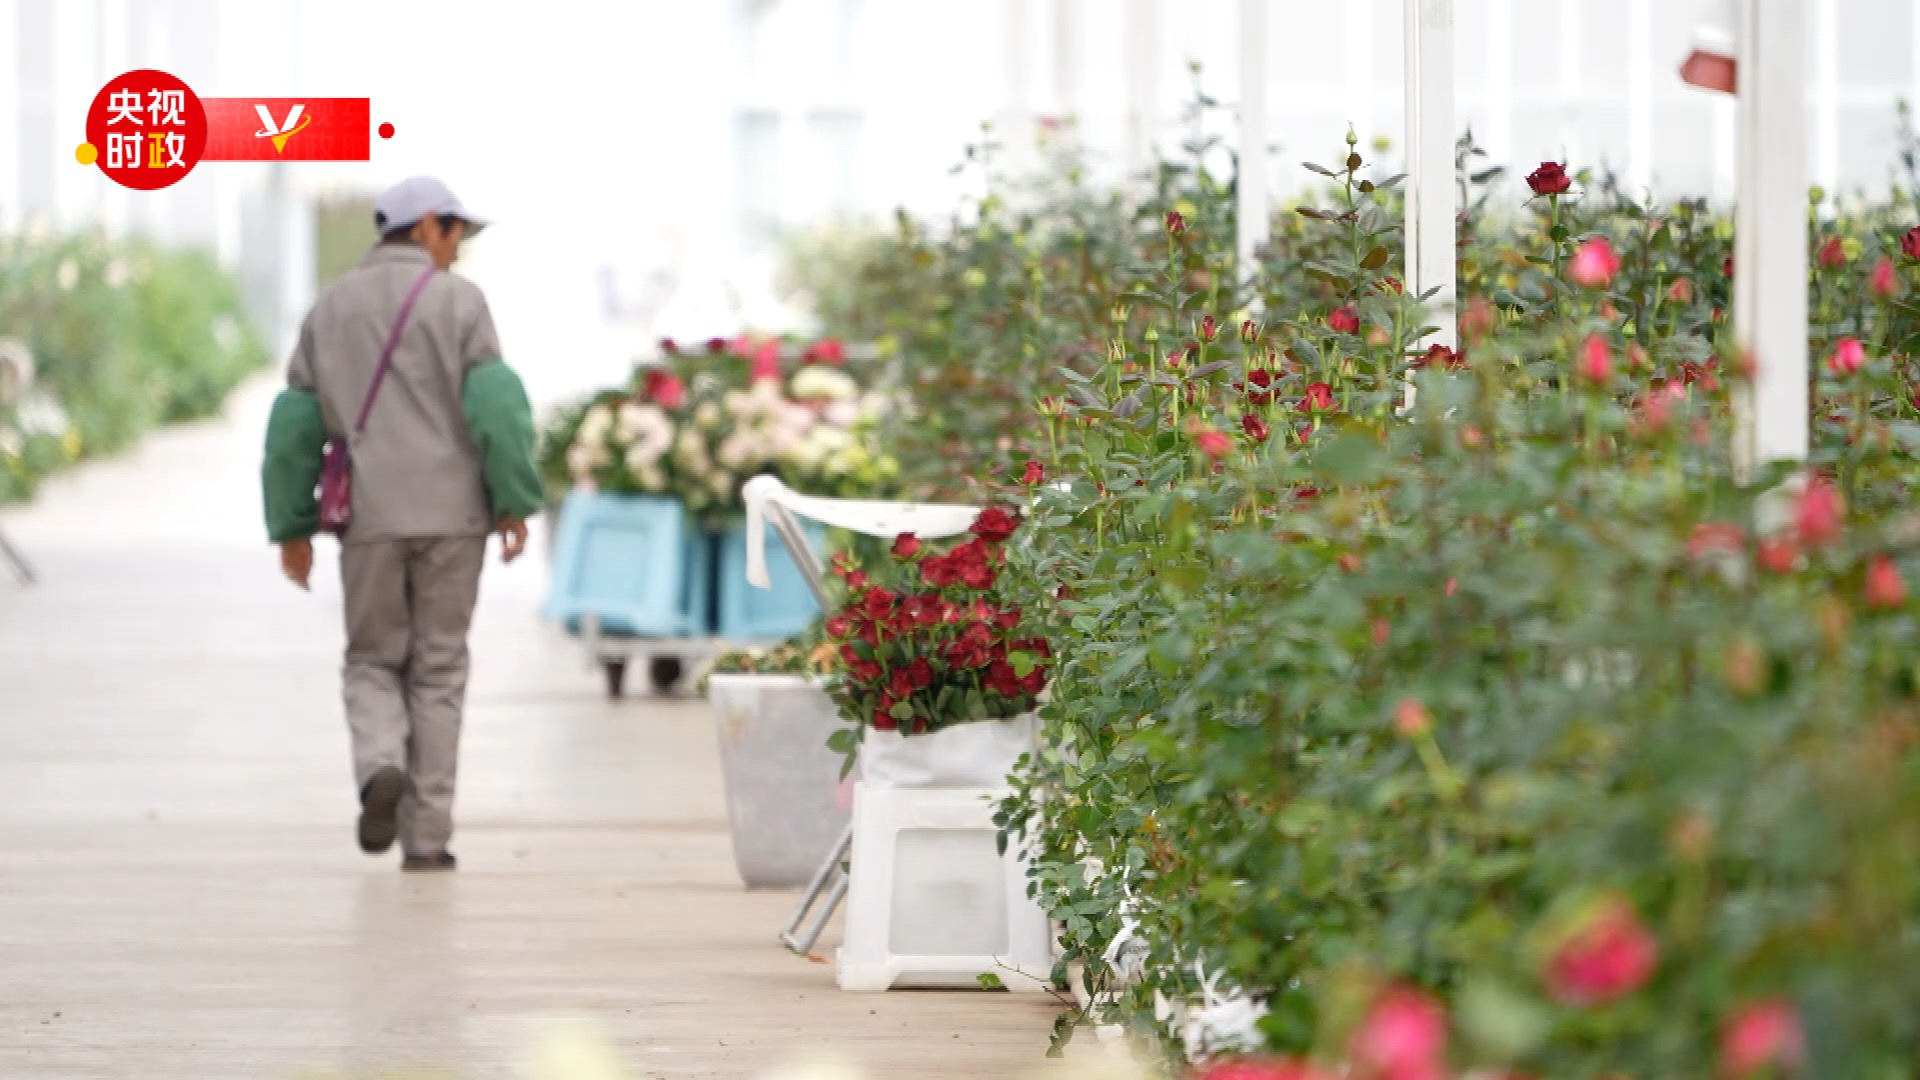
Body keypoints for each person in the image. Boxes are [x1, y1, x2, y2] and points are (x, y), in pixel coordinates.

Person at [260, 177, 541, 873]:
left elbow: (296, 423)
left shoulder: (329, 308)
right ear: (424, 228)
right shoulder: (460, 303)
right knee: (440, 669)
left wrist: (292, 527)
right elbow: (497, 408)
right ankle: (426, 837)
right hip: (454, 518)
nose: (457, 252)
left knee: (372, 658)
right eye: (454, 235)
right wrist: (514, 500)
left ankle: (380, 761)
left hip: (370, 519)